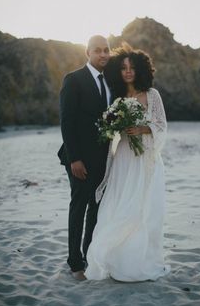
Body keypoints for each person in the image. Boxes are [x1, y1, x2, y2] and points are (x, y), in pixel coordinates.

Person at [85, 45, 170, 281]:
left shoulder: (152, 95)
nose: (128, 71)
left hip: (144, 159)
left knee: (143, 209)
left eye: (132, 67)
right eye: (123, 68)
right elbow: (110, 128)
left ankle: (139, 261)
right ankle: (117, 259)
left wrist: (142, 128)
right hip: (123, 158)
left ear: (140, 69)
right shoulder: (117, 96)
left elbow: (162, 125)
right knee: (121, 204)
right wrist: (116, 127)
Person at [58, 35, 111, 280]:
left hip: (103, 157)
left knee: (96, 207)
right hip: (78, 158)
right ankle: (75, 262)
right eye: (97, 51)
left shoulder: (110, 82)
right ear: (88, 53)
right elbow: (66, 122)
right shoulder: (74, 79)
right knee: (79, 206)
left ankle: (89, 255)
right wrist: (74, 159)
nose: (102, 55)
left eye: (106, 50)